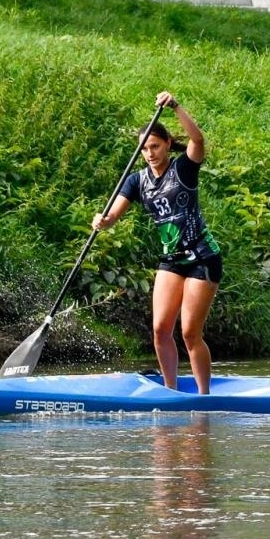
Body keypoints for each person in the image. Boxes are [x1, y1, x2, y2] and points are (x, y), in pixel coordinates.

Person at [93, 91, 223, 394]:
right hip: (171, 260)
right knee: (160, 330)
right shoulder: (136, 180)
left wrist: (176, 106)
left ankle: (203, 397)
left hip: (202, 257)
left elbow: (199, 141)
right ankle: (170, 392)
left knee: (190, 333)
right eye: (144, 148)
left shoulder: (184, 168)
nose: (150, 153)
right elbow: (114, 215)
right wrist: (103, 221)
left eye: (154, 146)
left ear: (166, 144)